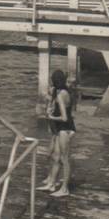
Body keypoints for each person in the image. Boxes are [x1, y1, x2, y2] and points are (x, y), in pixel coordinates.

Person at [39, 70, 76, 198]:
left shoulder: (61, 95)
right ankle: (52, 183)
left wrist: (50, 117)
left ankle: (65, 189)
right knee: (55, 156)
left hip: (65, 128)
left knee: (64, 159)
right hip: (61, 129)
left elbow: (65, 118)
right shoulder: (61, 92)